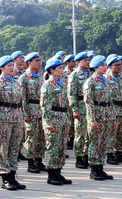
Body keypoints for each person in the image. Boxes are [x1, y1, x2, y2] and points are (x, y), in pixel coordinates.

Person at [0, 55, 26, 190]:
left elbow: (21, 103)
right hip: (3, 120)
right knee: (3, 149)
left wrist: (22, 119)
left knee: (15, 148)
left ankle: (13, 176)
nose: (12, 68)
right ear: (2, 68)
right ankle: (5, 178)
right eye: (9, 65)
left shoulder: (17, 83)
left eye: (12, 65)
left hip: (17, 118)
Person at [40, 57, 73, 185]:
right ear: (52, 70)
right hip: (53, 119)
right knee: (52, 147)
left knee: (61, 147)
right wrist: (48, 122)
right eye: (59, 68)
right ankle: (51, 174)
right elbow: (45, 105)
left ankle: (58, 172)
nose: (62, 70)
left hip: (63, 118)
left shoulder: (62, 83)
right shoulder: (48, 85)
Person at [84, 54, 115, 181]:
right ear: (95, 67)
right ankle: (94, 170)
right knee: (95, 143)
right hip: (97, 115)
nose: (104, 67)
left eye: (105, 65)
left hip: (107, 115)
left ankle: (101, 168)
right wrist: (92, 120)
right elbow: (88, 102)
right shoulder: (90, 82)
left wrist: (113, 118)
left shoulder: (106, 80)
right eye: (102, 65)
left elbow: (110, 100)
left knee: (104, 143)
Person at [20, 52, 46, 174]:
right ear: (29, 63)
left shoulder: (41, 76)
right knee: (31, 137)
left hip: (41, 110)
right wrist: (25, 114)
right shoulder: (24, 78)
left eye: (40, 60)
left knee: (41, 137)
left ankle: (38, 161)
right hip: (30, 109)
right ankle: (30, 162)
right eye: (36, 61)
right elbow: (22, 98)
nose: (39, 63)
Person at [68, 52, 92, 169]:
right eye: (85, 60)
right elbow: (71, 94)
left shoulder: (91, 73)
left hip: (90, 108)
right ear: (79, 62)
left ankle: (86, 156)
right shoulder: (74, 75)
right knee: (80, 134)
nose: (88, 62)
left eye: (89, 60)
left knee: (89, 134)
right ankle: (79, 157)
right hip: (80, 107)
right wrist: (75, 109)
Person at [105, 55, 122, 165]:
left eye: (120, 64)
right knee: (111, 133)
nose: (120, 67)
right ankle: (109, 154)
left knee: (121, 133)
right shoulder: (106, 78)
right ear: (110, 66)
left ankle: (118, 153)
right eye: (117, 65)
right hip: (112, 109)